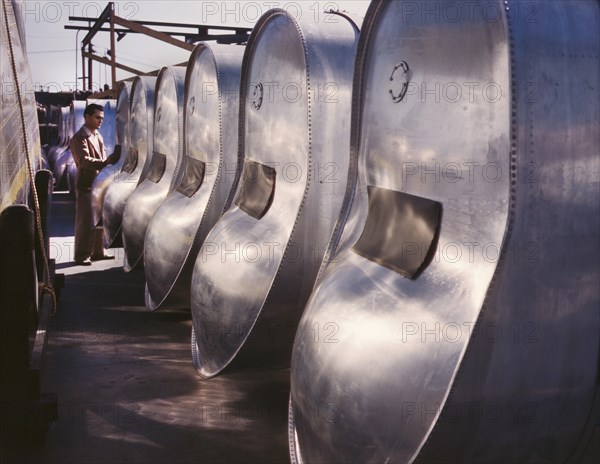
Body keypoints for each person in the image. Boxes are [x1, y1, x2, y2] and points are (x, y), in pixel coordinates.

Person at [70, 103, 119, 265]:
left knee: (99, 220)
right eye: (97, 117)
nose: (101, 121)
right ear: (87, 117)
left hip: (99, 184)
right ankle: (81, 255)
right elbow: (83, 161)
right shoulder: (78, 138)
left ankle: (98, 252)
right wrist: (105, 163)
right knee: (84, 222)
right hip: (86, 185)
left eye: (102, 118)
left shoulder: (97, 136)